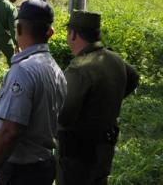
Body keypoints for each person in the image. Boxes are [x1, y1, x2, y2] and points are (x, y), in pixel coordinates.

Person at [0, 0, 67, 185]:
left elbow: (10, 131)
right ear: (50, 32)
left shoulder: (24, 71)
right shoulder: (55, 68)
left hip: (21, 173)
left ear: (18, 29)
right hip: (42, 166)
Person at [57, 11, 140, 184]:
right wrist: (109, 99)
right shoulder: (114, 58)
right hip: (104, 147)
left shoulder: (80, 68)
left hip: (78, 153)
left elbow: (64, 116)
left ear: (73, 34)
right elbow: (133, 78)